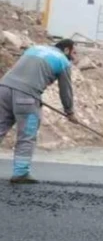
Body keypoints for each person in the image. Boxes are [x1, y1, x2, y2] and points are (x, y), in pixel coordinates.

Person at [0, 39, 79, 183]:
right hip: (26, 97)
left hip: (3, 89)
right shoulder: (62, 60)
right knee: (26, 134)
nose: (74, 57)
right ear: (66, 50)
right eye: (74, 52)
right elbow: (65, 90)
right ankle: (21, 173)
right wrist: (70, 112)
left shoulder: (34, 49)